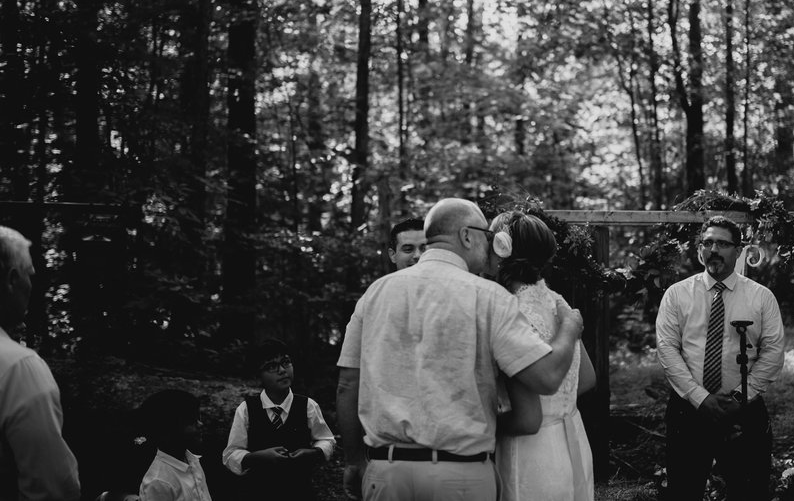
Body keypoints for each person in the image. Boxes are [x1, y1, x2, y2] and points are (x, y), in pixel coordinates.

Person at [336, 197, 584, 501]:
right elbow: (546, 377)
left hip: (386, 472)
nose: (491, 245)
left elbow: (348, 383)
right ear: (467, 236)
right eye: (487, 237)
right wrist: (570, 329)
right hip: (460, 476)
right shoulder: (488, 296)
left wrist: (353, 461)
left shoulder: (375, 294)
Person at [655, 215, 785, 501]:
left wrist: (739, 398)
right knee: (683, 491)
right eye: (708, 242)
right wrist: (700, 398)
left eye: (723, 244)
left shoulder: (761, 298)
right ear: (699, 249)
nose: (714, 250)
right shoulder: (676, 295)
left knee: (749, 491)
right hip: (688, 411)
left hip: (744, 411)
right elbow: (667, 350)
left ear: (739, 251)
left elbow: (773, 353)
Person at [491, 212, 596, 501]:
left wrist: (482, 424)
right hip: (573, 439)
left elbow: (527, 421)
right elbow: (586, 379)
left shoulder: (510, 311)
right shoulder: (558, 302)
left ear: (501, 249)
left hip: (531, 454)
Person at [0, 225, 81, 501]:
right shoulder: (17, 367)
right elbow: (52, 488)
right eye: (29, 275)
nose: (32, 285)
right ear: (12, 279)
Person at [222, 339, 336, 500]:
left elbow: (326, 440)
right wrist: (256, 457)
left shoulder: (308, 405)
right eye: (271, 367)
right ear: (257, 376)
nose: (282, 370)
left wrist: (314, 453)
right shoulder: (247, 409)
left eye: (286, 362)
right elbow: (231, 454)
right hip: (258, 492)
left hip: (300, 491)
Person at [138, 389, 212, 501]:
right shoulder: (159, 482)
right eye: (192, 421)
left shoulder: (192, 460)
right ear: (170, 431)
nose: (200, 424)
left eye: (198, 418)